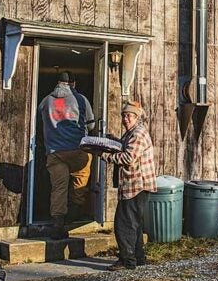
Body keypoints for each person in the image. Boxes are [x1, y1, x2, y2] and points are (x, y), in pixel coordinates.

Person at [101, 100, 156, 270]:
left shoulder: (137, 134)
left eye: (129, 116)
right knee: (134, 223)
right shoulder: (131, 133)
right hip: (135, 185)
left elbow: (128, 158)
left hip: (136, 184)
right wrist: (114, 141)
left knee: (123, 224)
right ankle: (138, 258)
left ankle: (127, 260)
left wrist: (106, 156)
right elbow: (127, 148)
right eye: (124, 115)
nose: (125, 118)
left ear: (137, 118)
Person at [38, 72, 93, 239]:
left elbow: (40, 120)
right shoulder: (81, 100)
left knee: (58, 188)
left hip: (55, 152)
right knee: (81, 177)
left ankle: (58, 224)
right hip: (77, 150)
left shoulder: (46, 101)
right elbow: (90, 126)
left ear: (57, 83)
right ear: (73, 84)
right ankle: (74, 212)